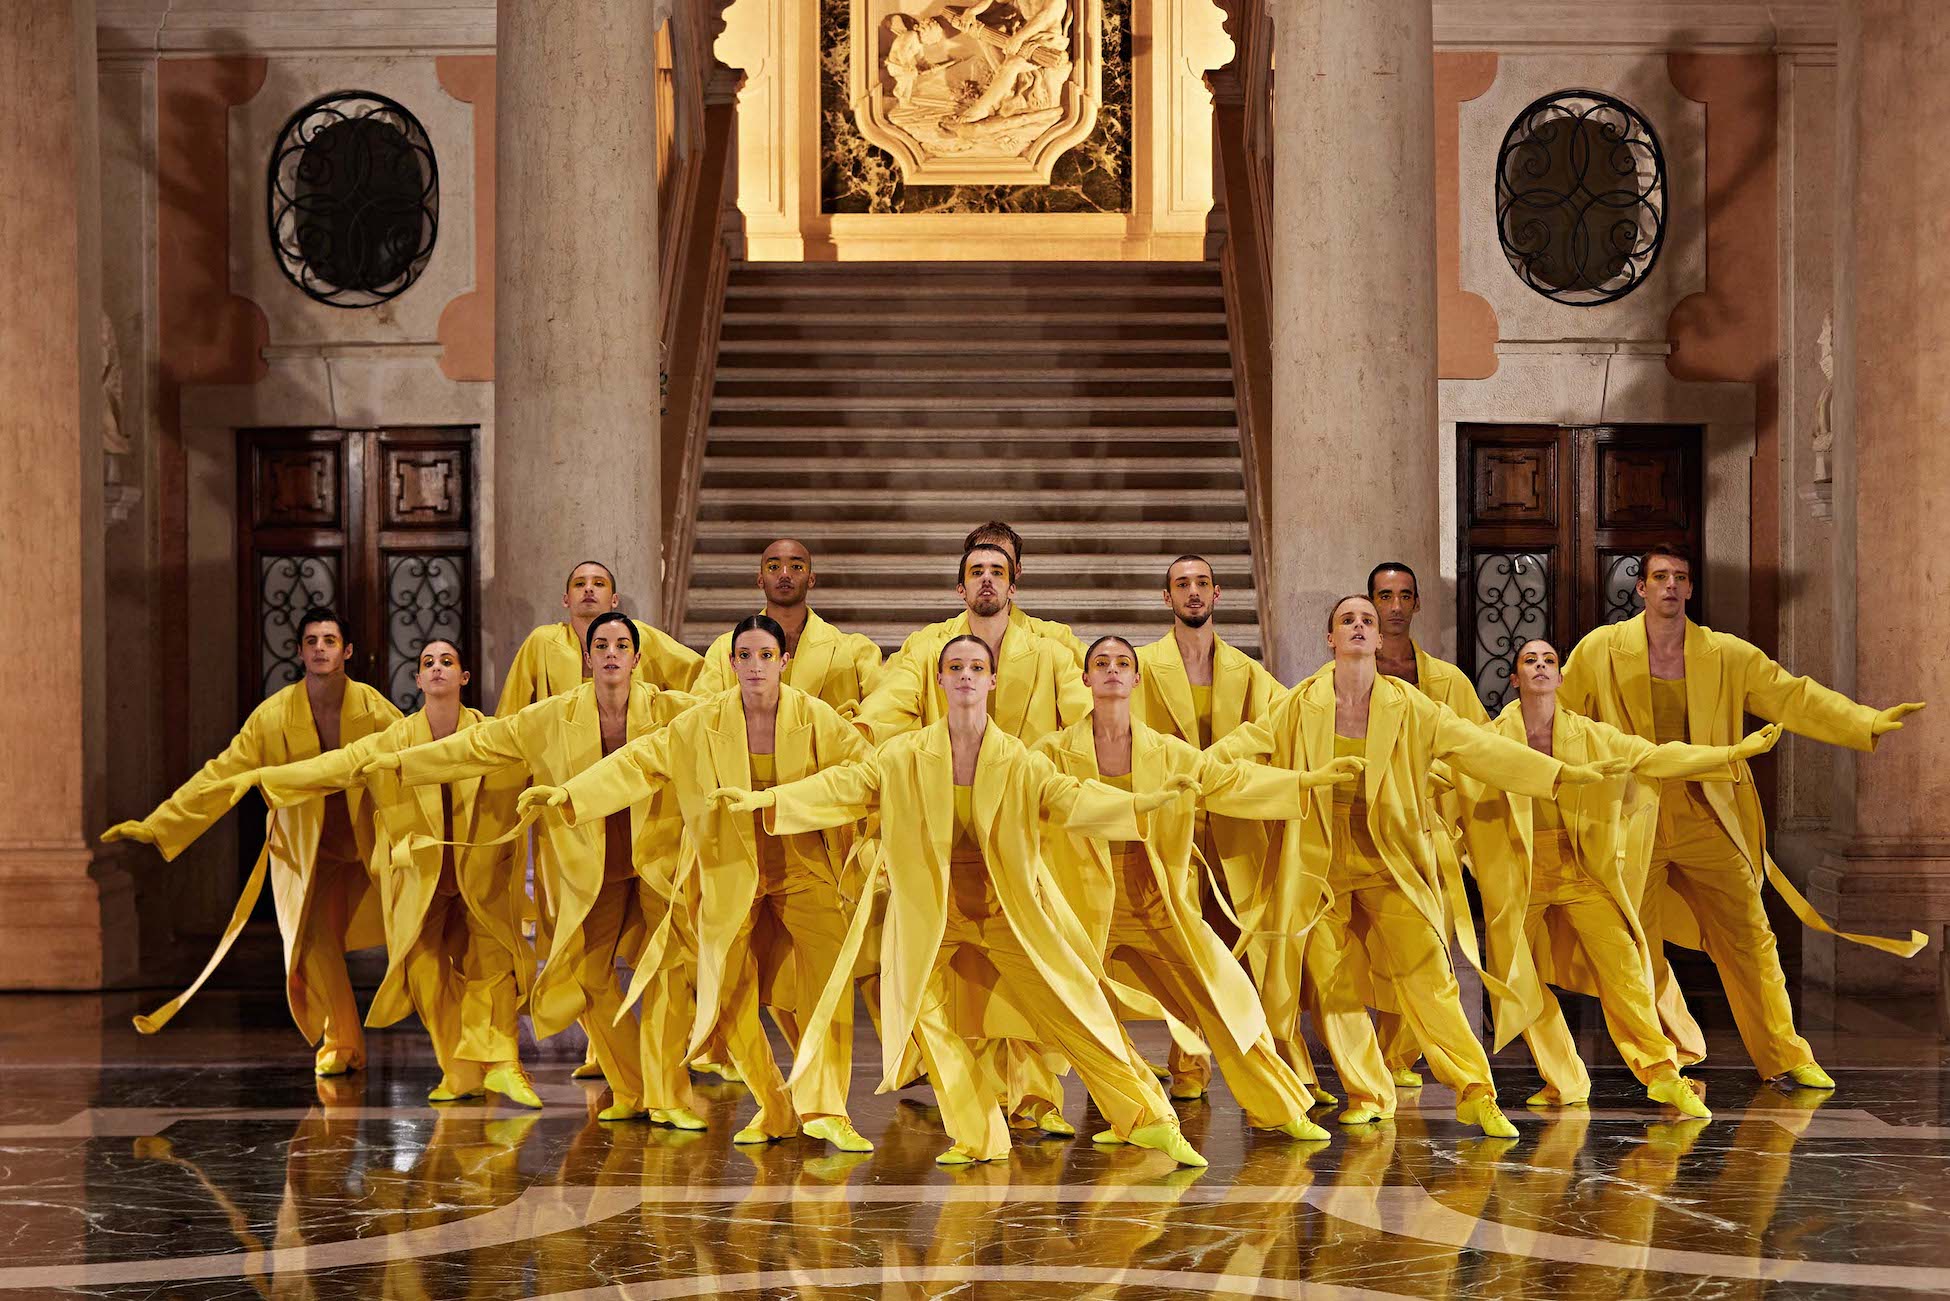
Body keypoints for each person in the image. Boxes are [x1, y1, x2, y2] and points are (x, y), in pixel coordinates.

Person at [717, 634, 1208, 1166]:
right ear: (941, 679)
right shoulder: (904, 755)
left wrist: (1143, 803)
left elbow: (1071, 799)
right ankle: (978, 1136)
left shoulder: (1018, 759)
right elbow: (844, 785)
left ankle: (1147, 1119)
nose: (966, 676)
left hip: (1005, 911)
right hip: (931, 913)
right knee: (922, 1017)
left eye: (976, 667)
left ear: (992, 680)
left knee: (1072, 1013)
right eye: (956, 667)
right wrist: (769, 798)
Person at [1212, 596, 1626, 1136]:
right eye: (1347, 620)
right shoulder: (1298, 704)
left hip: (1393, 861)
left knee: (1429, 975)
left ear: (1378, 639)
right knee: (1334, 983)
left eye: (1367, 621)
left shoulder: (1409, 705)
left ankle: (1474, 1090)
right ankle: (1368, 1092)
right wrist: (1195, 774)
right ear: (1331, 639)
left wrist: (1556, 774)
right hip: (1319, 864)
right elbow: (1233, 752)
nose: (1359, 626)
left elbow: (1479, 749)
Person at [1560, 543, 1927, 1087]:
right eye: (1659, 576)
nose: (1669, 585)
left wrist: (1864, 722)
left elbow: (1792, 695)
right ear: (1640, 588)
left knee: (1751, 937)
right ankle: (1665, 1059)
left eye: (1679, 577)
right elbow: (1558, 718)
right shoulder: (1600, 650)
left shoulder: (1725, 653)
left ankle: (1785, 1052)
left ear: (1690, 588)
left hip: (1709, 814)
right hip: (1631, 818)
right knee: (1636, 944)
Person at [524, 615, 876, 1152]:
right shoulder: (702, 722)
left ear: (784, 661)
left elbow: (864, 772)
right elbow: (639, 762)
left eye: (766, 655)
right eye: (745, 656)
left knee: (825, 989)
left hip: (804, 871)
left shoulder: (814, 717)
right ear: (731, 662)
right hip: (728, 874)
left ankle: (827, 1108)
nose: (755, 666)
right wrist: (571, 795)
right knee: (726, 992)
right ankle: (774, 1105)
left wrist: (778, 800)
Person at [373, 611, 698, 1121]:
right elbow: (481, 745)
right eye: (601, 646)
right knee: (588, 977)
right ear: (587, 657)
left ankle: (668, 1097)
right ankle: (635, 1089)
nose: (611, 654)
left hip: (659, 863)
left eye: (621, 645)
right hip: (595, 871)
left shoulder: (673, 710)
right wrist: (405, 763)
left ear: (637, 658)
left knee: (670, 973)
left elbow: (732, 719)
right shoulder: (553, 715)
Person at [1035, 634, 1360, 1144]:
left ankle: (1278, 1107)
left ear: (1136, 678)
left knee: (1219, 999)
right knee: (1070, 1011)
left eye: (1122, 663)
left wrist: (1305, 781)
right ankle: (1125, 1114)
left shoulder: (1167, 752)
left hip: (1156, 901)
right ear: (1086, 678)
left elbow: (1227, 780)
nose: (1112, 670)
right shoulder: (1051, 752)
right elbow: (1023, 797)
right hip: (1081, 907)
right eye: (1101, 663)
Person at [1461, 638, 1787, 1118]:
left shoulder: (1591, 735)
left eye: (1549, 660)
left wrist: (1732, 753)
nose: (1540, 666)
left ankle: (1662, 1073)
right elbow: (1448, 782)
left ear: (1560, 677)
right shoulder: (1490, 739)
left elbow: (1654, 756)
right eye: (1530, 661)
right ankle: (1565, 1079)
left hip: (1581, 871)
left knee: (1625, 973)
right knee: (1514, 983)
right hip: (1519, 878)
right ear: (1515, 678)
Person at [223, 638, 540, 1108]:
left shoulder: (493, 734)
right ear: (418, 679)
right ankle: (460, 1073)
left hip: (480, 876)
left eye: (447, 661)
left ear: (463, 677)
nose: (437, 668)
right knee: (425, 974)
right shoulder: (396, 739)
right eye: (428, 662)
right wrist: (265, 777)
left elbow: (545, 749)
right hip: (421, 880)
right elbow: (337, 765)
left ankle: (505, 1063)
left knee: (491, 967)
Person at [103, 608, 403, 1075]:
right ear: (299, 651)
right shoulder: (273, 716)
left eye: (329, 640)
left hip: (375, 844)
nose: (320, 649)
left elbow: (419, 759)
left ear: (346, 651)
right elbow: (223, 772)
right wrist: (160, 824)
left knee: (424, 931)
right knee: (315, 941)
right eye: (311, 641)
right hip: (311, 852)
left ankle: (466, 1050)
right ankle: (342, 1042)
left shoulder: (376, 710)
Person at [1132, 554, 1288, 1098]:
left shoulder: (1247, 671)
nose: (1193, 592)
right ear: (1167, 598)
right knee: (1183, 951)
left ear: (1218, 594)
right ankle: (1188, 1067)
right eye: (1182, 584)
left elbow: (1284, 722)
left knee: (1248, 951)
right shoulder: (1142, 666)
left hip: (1233, 825)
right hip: (1172, 823)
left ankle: (1273, 1068)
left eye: (1202, 583)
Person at [1365, 560, 1492, 1090]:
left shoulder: (1447, 680)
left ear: (1417, 604)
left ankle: (1399, 1055)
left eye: (1404, 596)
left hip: (1431, 828)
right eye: (1385, 596)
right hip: (1369, 827)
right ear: (1371, 603)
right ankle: (1370, 1056)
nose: (1395, 606)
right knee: (1373, 947)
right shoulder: (1351, 673)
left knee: (1427, 943)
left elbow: (1481, 746)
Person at [855, 542, 1087, 746]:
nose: (987, 578)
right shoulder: (927, 654)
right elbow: (881, 713)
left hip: (1026, 779)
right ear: (961, 590)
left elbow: (1089, 718)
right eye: (976, 572)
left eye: (997, 572)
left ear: (1012, 588)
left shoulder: (1051, 654)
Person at [691, 539, 883, 713]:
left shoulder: (855, 650)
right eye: (773, 567)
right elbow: (701, 712)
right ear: (760, 580)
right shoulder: (724, 649)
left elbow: (882, 708)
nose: (784, 574)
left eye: (796, 567)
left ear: (811, 579)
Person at [497, 560, 702, 714]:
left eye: (599, 583)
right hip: (562, 756)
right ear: (566, 600)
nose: (588, 588)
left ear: (614, 600)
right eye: (579, 584)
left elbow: (700, 675)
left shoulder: (640, 636)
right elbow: (510, 712)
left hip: (630, 752)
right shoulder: (543, 641)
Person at [886, 522, 1087, 669]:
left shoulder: (1057, 640)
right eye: (978, 568)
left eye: (999, 566)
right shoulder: (924, 643)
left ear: (1016, 572)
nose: (987, 577)